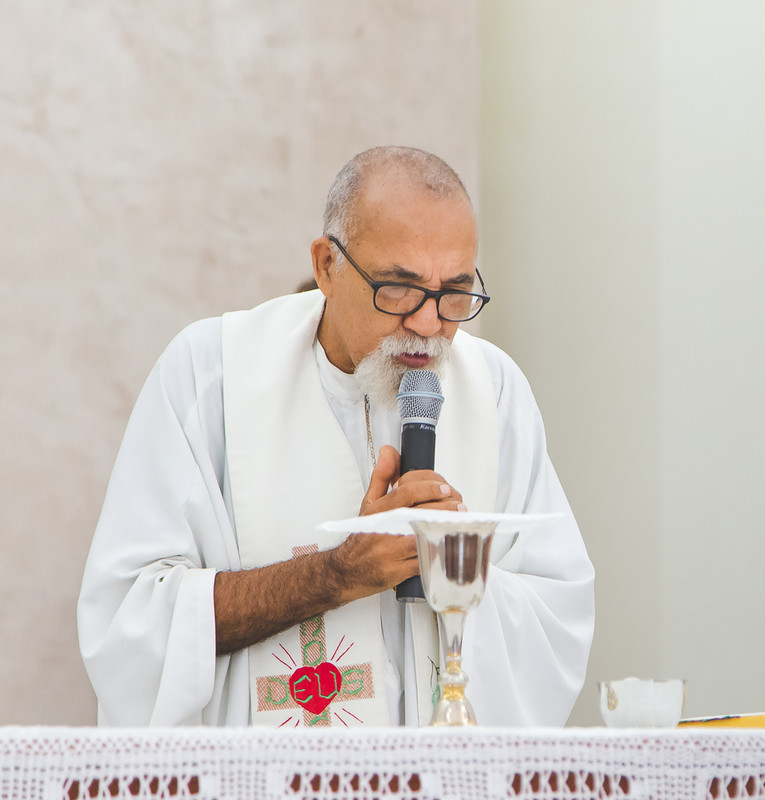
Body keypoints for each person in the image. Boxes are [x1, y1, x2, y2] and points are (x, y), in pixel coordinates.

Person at [77, 146, 595, 727]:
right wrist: (337, 574)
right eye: (398, 287)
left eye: (455, 292)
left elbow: (558, 617)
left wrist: (453, 570)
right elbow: (128, 622)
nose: (429, 324)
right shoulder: (210, 376)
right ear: (327, 266)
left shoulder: (493, 389)